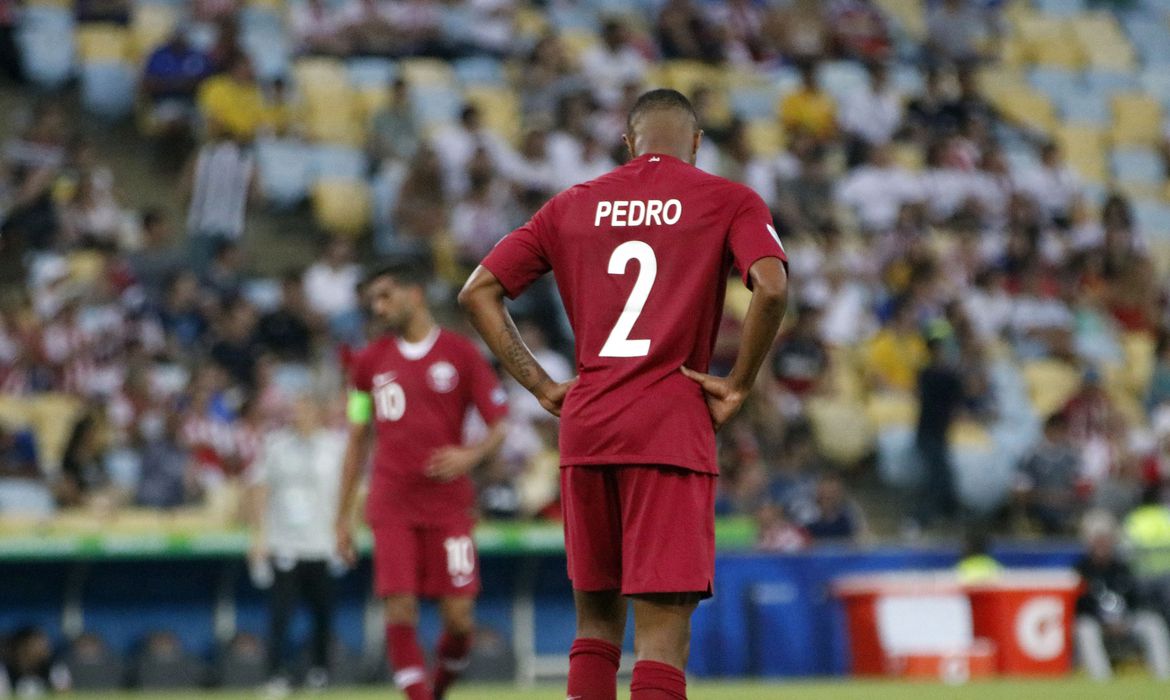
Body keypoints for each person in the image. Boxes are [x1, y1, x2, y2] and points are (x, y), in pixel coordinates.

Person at [459, 88, 788, 700]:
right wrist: (739, 383)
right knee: (661, 638)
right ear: (696, 143)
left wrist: (542, 386)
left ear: (628, 142)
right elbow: (770, 287)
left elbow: (477, 291)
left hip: (588, 428)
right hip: (668, 426)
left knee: (596, 626)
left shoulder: (571, 205)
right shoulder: (728, 199)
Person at [335, 262, 509, 700]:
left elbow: (500, 424)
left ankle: (439, 689)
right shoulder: (367, 363)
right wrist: (341, 518)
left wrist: (471, 454)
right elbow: (357, 437)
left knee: (460, 619)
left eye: (385, 296)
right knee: (401, 606)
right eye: (373, 299)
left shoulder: (461, 354)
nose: (378, 307)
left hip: (449, 505)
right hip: (392, 502)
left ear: (415, 294)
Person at [247, 393, 346, 696]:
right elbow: (260, 488)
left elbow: (349, 492)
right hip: (284, 541)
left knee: (323, 612)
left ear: (317, 413)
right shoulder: (276, 445)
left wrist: (344, 534)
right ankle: (277, 674)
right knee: (280, 614)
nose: (297, 416)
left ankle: (319, 671)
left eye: (304, 410)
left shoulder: (335, 447)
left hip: (322, 543)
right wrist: (259, 536)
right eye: (294, 410)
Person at [1075, 509, 1170, 680]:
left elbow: (1134, 598)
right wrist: (1104, 622)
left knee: (1152, 623)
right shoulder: (1081, 569)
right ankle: (1102, 679)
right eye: (1098, 541)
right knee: (1084, 628)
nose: (1102, 545)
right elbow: (1079, 605)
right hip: (1099, 624)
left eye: (1106, 540)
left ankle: (1164, 676)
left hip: (1125, 622)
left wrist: (1124, 619)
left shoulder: (1123, 568)